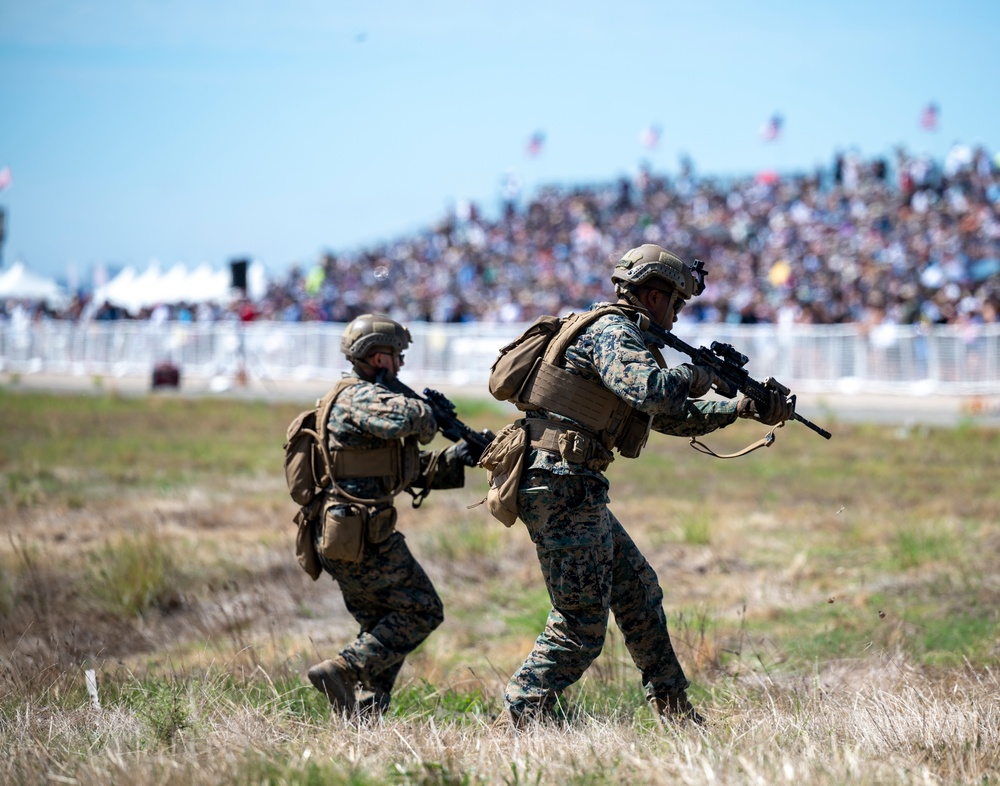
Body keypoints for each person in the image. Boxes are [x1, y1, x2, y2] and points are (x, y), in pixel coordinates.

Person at [496, 244, 793, 726]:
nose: (676, 317)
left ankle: (673, 707)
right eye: (675, 303)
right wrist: (697, 374)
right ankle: (523, 710)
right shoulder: (612, 331)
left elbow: (667, 418)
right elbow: (653, 393)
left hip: (570, 483)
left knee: (638, 591)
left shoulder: (625, 337)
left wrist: (741, 408)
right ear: (653, 294)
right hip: (560, 482)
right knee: (580, 623)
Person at [306, 314, 486, 717]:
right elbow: (410, 421)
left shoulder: (367, 397)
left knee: (384, 627)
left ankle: (367, 714)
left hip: (350, 532)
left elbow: (400, 469)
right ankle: (342, 670)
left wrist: (460, 454)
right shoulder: (358, 397)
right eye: (397, 355)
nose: (401, 364)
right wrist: (431, 414)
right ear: (377, 357)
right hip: (359, 534)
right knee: (422, 609)